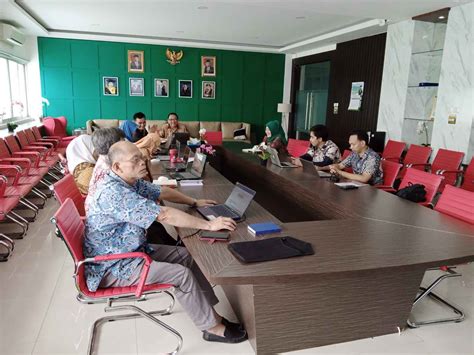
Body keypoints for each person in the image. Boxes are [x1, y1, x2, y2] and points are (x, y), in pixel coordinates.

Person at [84, 141, 247, 343]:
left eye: (141, 157)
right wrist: (209, 225)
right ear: (117, 166)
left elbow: (160, 191)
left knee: (187, 256)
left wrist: (193, 202)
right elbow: (164, 214)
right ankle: (212, 327)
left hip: (131, 252)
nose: (142, 162)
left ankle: (210, 313)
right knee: (181, 274)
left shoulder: (126, 180)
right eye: (135, 160)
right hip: (114, 266)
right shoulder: (114, 193)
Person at [87, 129, 179, 246]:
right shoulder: (111, 173)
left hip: (115, 222)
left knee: (157, 227)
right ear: (114, 149)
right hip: (116, 241)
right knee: (156, 226)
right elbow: (163, 214)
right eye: (123, 141)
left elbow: (152, 189)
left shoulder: (108, 164)